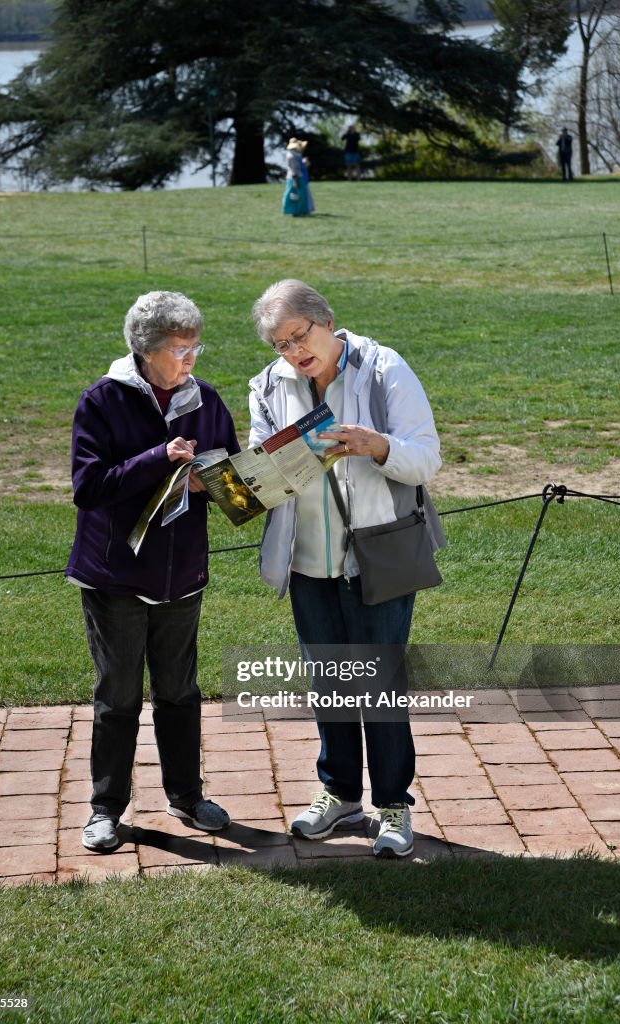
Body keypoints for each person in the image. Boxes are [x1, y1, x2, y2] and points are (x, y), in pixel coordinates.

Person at [249, 280, 444, 857]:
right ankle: (340, 794)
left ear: (325, 320)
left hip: (378, 553)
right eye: (281, 344)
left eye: (299, 336)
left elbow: (426, 456)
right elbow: (263, 465)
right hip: (307, 559)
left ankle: (392, 806)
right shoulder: (266, 386)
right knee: (330, 684)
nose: (293, 352)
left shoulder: (383, 369)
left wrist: (376, 445)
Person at [67, 290, 239, 852]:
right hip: (115, 578)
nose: (191, 359)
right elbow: (88, 489)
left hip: (182, 577)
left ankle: (186, 796)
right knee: (117, 698)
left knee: (180, 694)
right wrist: (157, 461)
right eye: (180, 349)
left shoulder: (205, 400)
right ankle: (106, 810)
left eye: (196, 346)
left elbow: (230, 474)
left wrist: (215, 483)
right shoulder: (101, 401)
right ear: (146, 350)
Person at [283, 138, 310, 217]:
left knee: (295, 195)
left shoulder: (291, 155)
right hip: (295, 177)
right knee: (296, 195)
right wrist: (295, 181)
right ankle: (296, 211)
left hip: (293, 177)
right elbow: (294, 169)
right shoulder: (292, 156)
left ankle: (297, 211)